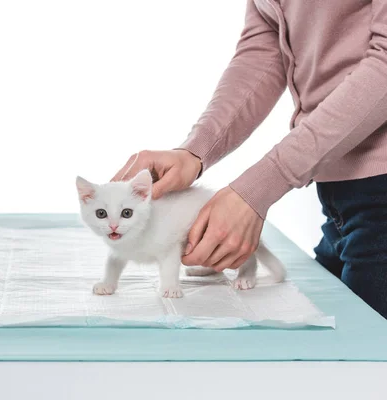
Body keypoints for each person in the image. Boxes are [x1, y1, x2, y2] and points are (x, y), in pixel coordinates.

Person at [112, 0, 387, 319]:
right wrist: (194, 151)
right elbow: (266, 44)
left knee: (361, 361)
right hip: (343, 199)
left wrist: (258, 188)